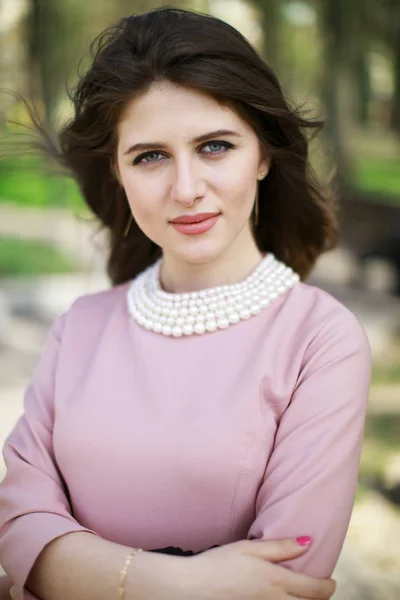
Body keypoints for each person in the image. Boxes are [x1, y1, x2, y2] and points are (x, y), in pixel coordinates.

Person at [0, 6, 371, 600]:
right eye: (150, 156)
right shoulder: (80, 328)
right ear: (118, 173)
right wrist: (185, 580)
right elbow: (19, 529)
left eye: (215, 146)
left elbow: (286, 582)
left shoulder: (320, 338)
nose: (187, 188)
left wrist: (67, 571)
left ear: (264, 155)